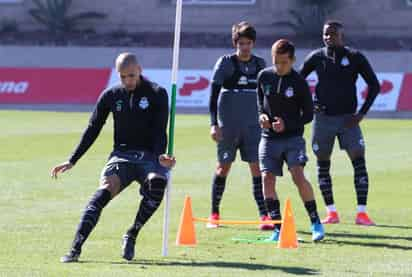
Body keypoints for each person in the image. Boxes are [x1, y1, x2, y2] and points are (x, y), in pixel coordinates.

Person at [51, 53, 176, 262]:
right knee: (101, 195)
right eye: (123, 77)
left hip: (149, 156)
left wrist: (161, 157)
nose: (128, 81)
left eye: (132, 76)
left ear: (140, 70)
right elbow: (93, 128)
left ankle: (132, 233)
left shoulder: (157, 93)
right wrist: (72, 159)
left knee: (157, 184)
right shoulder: (111, 95)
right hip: (121, 156)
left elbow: (159, 131)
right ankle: (75, 249)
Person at [300, 20, 380, 225]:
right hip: (323, 120)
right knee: (322, 163)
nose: (328, 37)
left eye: (332, 34)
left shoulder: (354, 57)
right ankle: (331, 213)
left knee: (358, 161)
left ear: (341, 36)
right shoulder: (316, 57)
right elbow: (297, 81)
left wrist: (361, 113)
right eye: (326, 34)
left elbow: (374, 85)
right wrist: (310, 104)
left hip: (348, 120)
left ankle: (362, 213)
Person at [257, 39, 324, 242]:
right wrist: (262, 116)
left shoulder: (299, 82)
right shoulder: (264, 76)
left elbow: (309, 115)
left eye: (284, 62)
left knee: (297, 175)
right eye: (276, 61)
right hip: (268, 138)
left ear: (293, 60)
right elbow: (260, 102)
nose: (279, 66)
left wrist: (287, 123)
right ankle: (278, 229)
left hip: (293, 138)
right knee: (267, 178)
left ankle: (316, 223)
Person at [208, 21, 273, 230]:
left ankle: (264, 216)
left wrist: (269, 118)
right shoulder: (226, 63)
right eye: (241, 43)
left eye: (248, 43)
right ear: (236, 43)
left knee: (257, 168)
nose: (244, 47)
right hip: (229, 126)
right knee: (223, 167)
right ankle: (214, 214)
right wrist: (213, 124)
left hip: (254, 127)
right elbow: (213, 95)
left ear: (253, 43)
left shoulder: (260, 65)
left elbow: (268, 96)